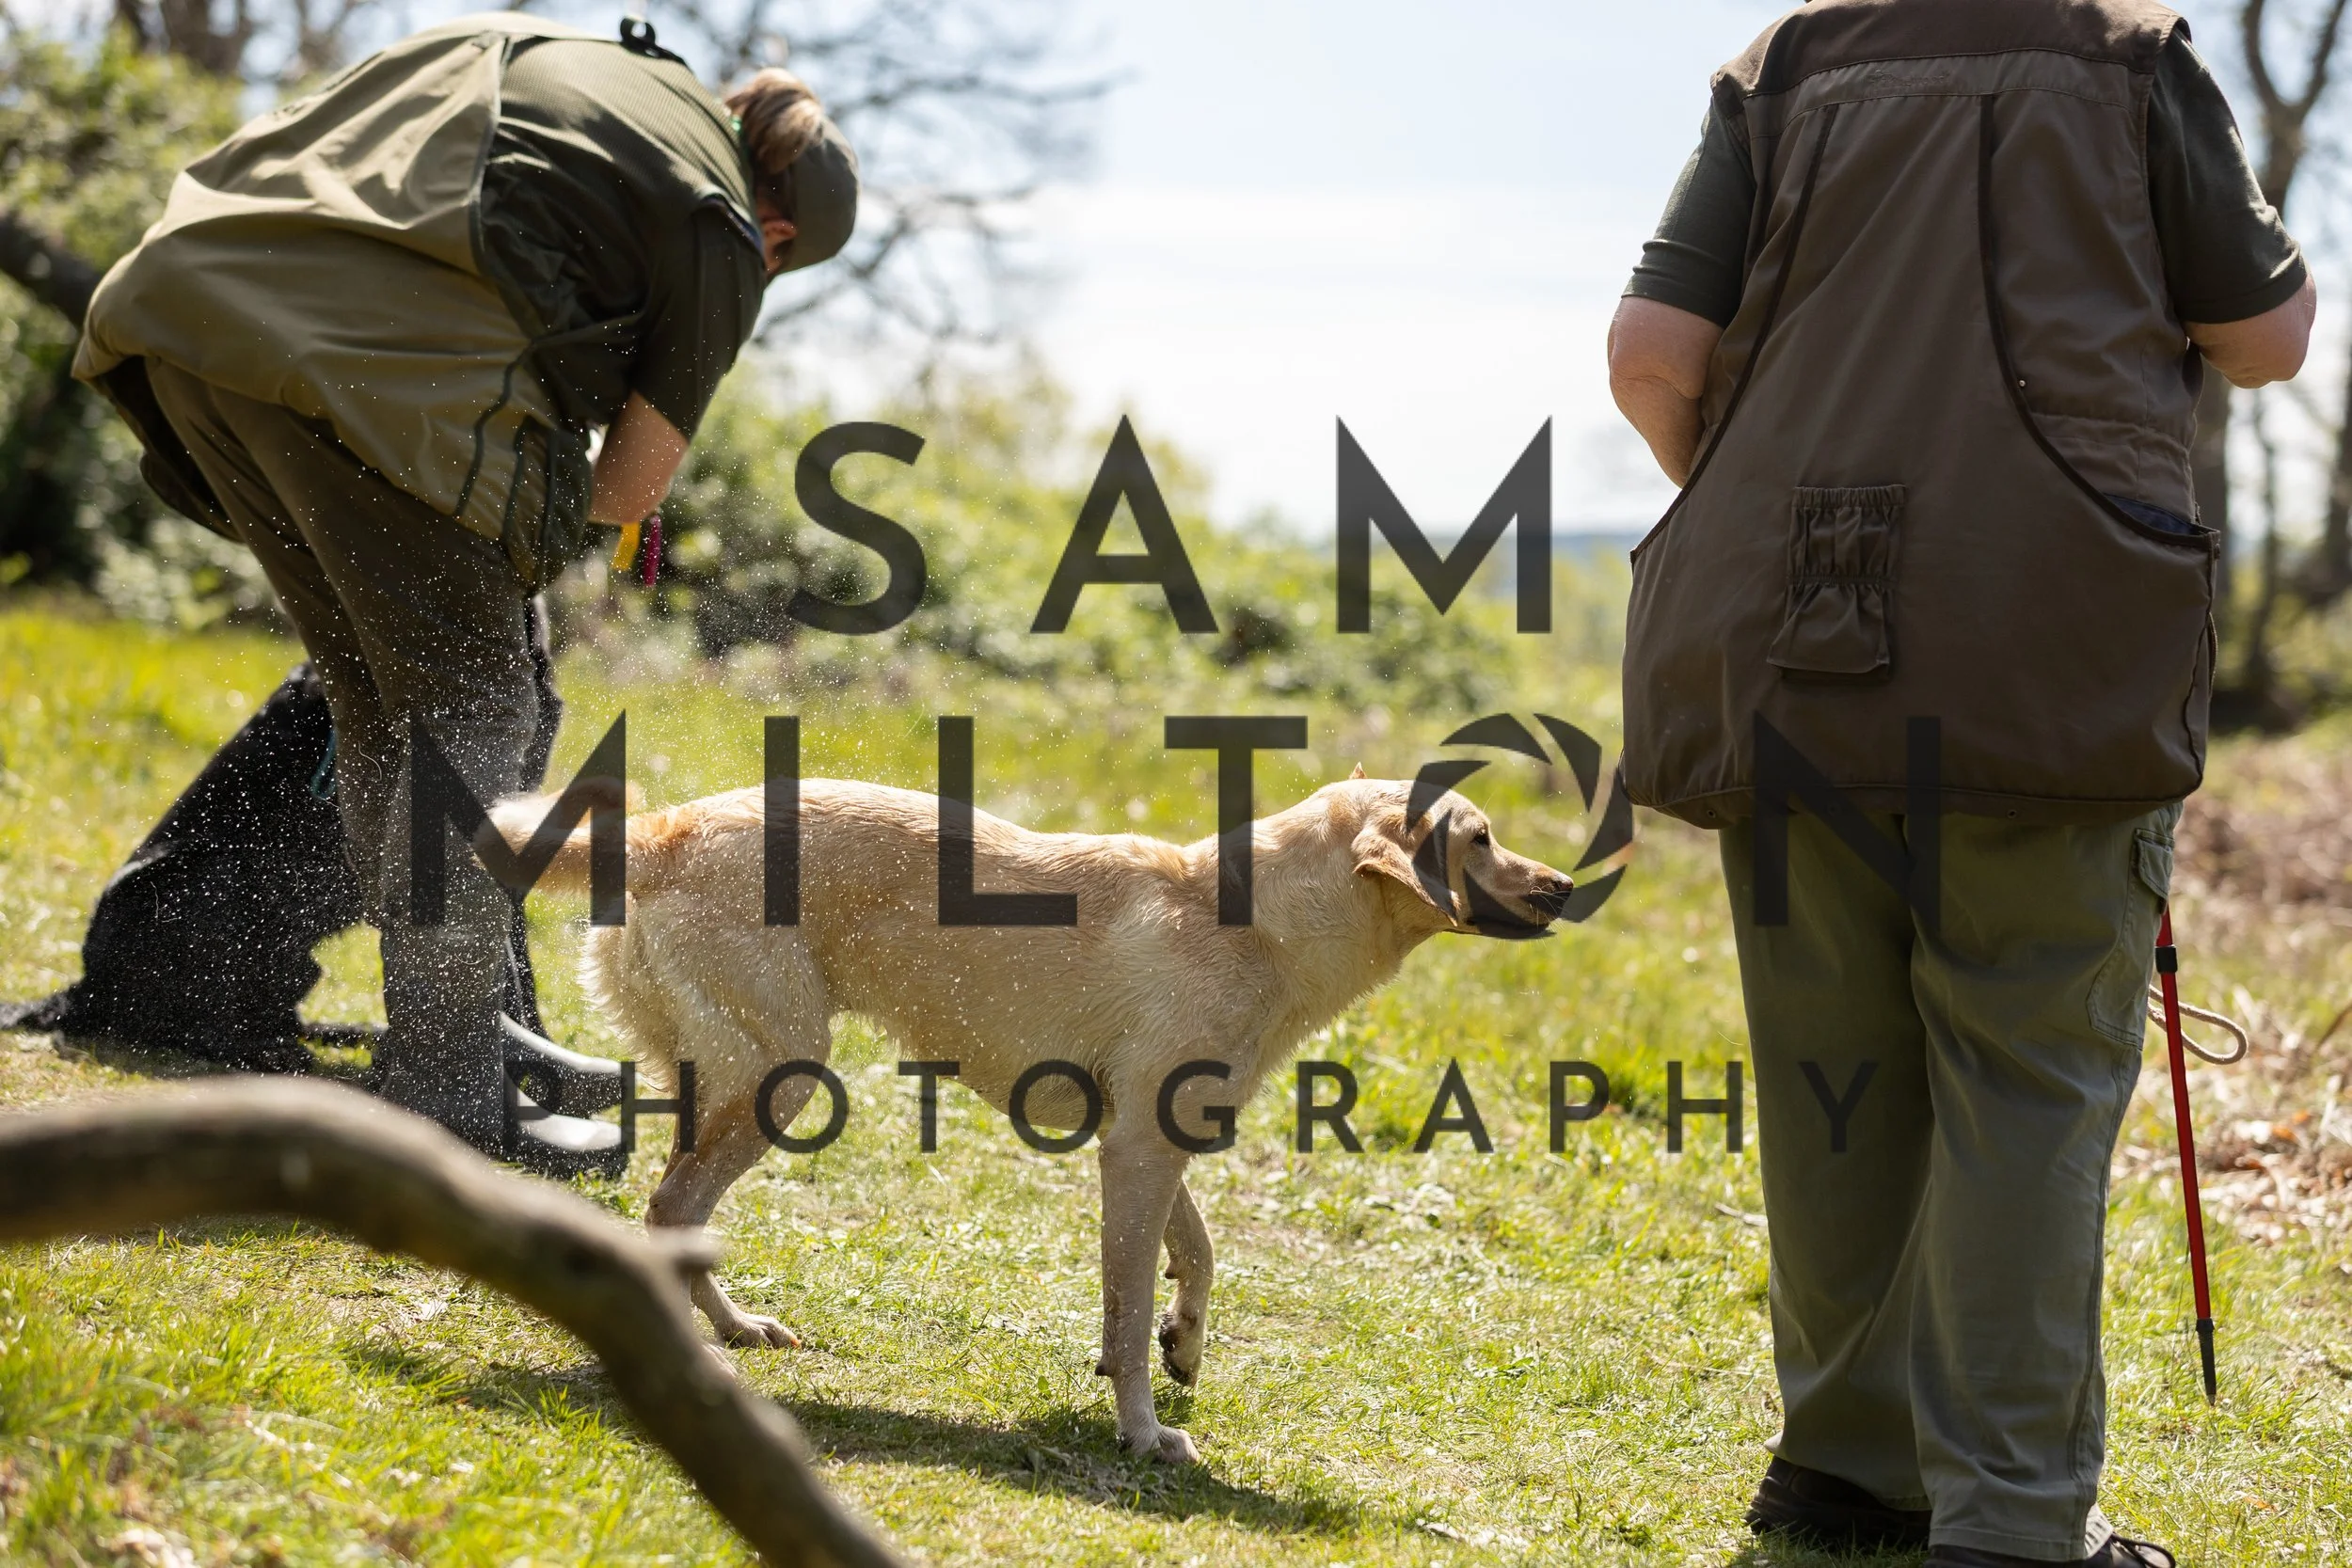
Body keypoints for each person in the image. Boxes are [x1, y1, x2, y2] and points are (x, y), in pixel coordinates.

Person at [1608, 2, 2312, 1565]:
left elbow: (1653, 357)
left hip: (1799, 647)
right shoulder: (2133, 57)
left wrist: (1766, 509)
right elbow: (2267, 338)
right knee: (2028, 1081)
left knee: (1830, 1073)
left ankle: (1848, 1469)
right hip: (2046, 647)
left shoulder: (1782, 66)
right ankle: (2009, 1519)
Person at [70, 14, 859, 1177]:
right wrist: (541, 501)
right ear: (779, 229)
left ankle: (446, 1033)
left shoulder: (568, 60)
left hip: (183, 305)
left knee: (381, 705)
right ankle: (445, 1091)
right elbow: (626, 489)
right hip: (370, 361)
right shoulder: (720, 223)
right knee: (479, 706)